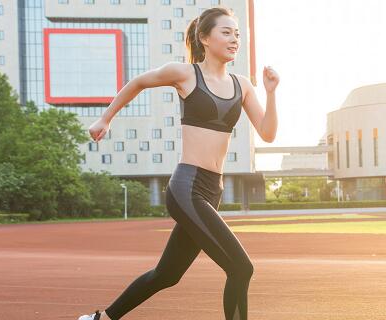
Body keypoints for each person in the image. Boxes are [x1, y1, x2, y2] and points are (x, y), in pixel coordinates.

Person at [78, 6, 278, 320]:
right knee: (241, 268)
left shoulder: (243, 85)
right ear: (204, 38)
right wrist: (105, 118)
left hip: (213, 190)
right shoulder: (186, 73)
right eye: (226, 32)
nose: (234, 39)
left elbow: (267, 133)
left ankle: (101, 318)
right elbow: (139, 82)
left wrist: (271, 93)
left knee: (167, 274)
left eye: (237, 33)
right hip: (187, 187)